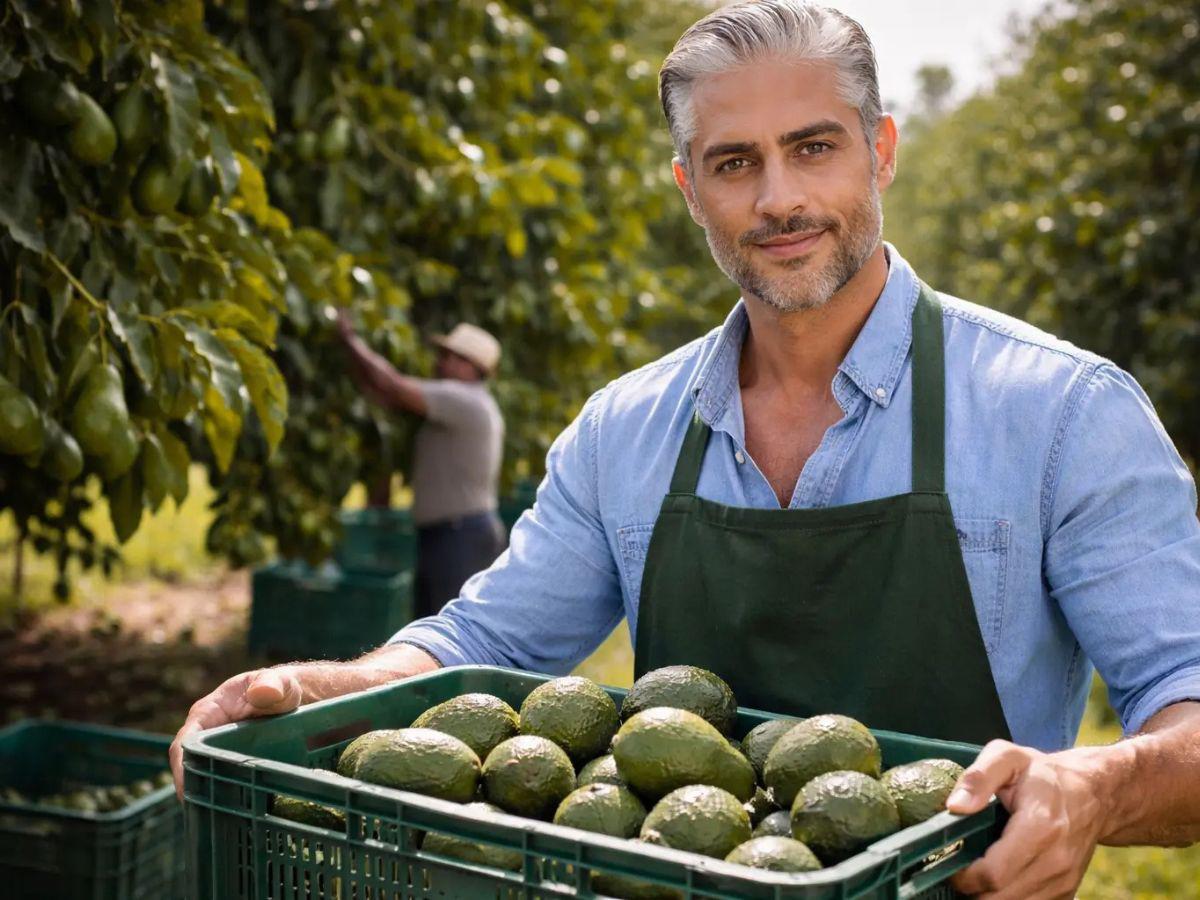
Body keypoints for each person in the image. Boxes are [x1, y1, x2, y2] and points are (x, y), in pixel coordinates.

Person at [173, 3, 1200, 895]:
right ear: (687, 188)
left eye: (814, 147)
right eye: (733, 163)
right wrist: (305, 695)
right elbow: (477, 645)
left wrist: (1097, 788)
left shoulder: (1064, 412)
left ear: (881, 150)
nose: (778, 200)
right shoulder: (626, 430)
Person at [336, 314, 508, 619]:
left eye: (447, 356)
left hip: (459, 537)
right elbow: (384, 393)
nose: (439, 363)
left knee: (450, 632)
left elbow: (393, 385)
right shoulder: (463, 403)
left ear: (469, 365)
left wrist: (349, 338)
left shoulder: (463, 400)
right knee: (436, 625)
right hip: (454, 533)